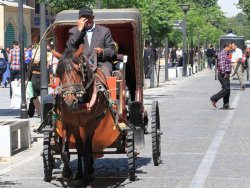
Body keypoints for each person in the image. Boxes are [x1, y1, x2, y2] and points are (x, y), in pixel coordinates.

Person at [66, 6, 116, 77]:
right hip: (79, 65)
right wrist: (79, 30)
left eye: (88, 17)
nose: (86, 20)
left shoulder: (104, 31)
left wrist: (102, 52)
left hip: (101, 64)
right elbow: (69, 47)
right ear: (79, 19)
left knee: (106, 73)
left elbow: (112, 51)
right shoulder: (74, 31)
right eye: (83, 18)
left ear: (93, 17)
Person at [210, 43, 232, 109]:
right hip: (223, 74)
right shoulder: (223, 54)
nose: (230, 49)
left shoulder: (226, 54)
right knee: (226, 89)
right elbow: (222, 66)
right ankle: (214, 98)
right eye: (230, 47)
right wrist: (225, 74)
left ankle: (226, 105)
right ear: (226, 47)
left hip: (226, 74)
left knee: (227, 90)